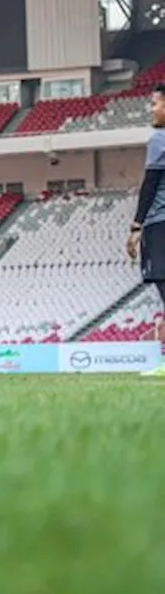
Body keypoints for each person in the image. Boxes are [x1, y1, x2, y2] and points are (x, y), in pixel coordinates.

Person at [128, 83, 165, 377]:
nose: (151, 109)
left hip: (160, 224)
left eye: (155, 103)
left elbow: (150, 184)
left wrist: (136, 225)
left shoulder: (159, 139)